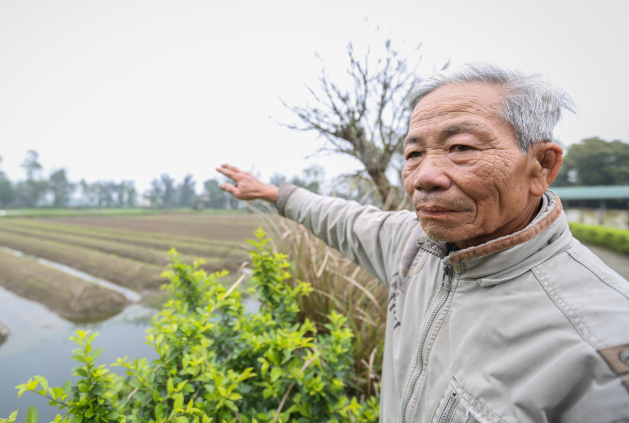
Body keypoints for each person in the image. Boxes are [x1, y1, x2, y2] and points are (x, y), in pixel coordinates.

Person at [217, 62, 629, 423]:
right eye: (414, 153)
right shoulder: (413, 247)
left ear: (541, 166)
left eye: (461, 148)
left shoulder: (600, 339)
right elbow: (341, 219)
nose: (425, 177)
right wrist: (273, 194)